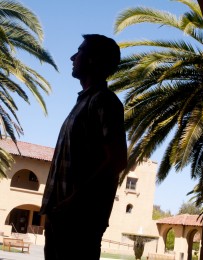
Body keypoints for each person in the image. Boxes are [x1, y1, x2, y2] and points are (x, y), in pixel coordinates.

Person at [39, 34, 127, 260]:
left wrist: (73, 201)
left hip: (79, 220)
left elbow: (117, 160)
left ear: (92, 59)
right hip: (61, 215)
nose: (72, 57)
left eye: (79, 51)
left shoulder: (104, 102)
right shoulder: (84, 103)